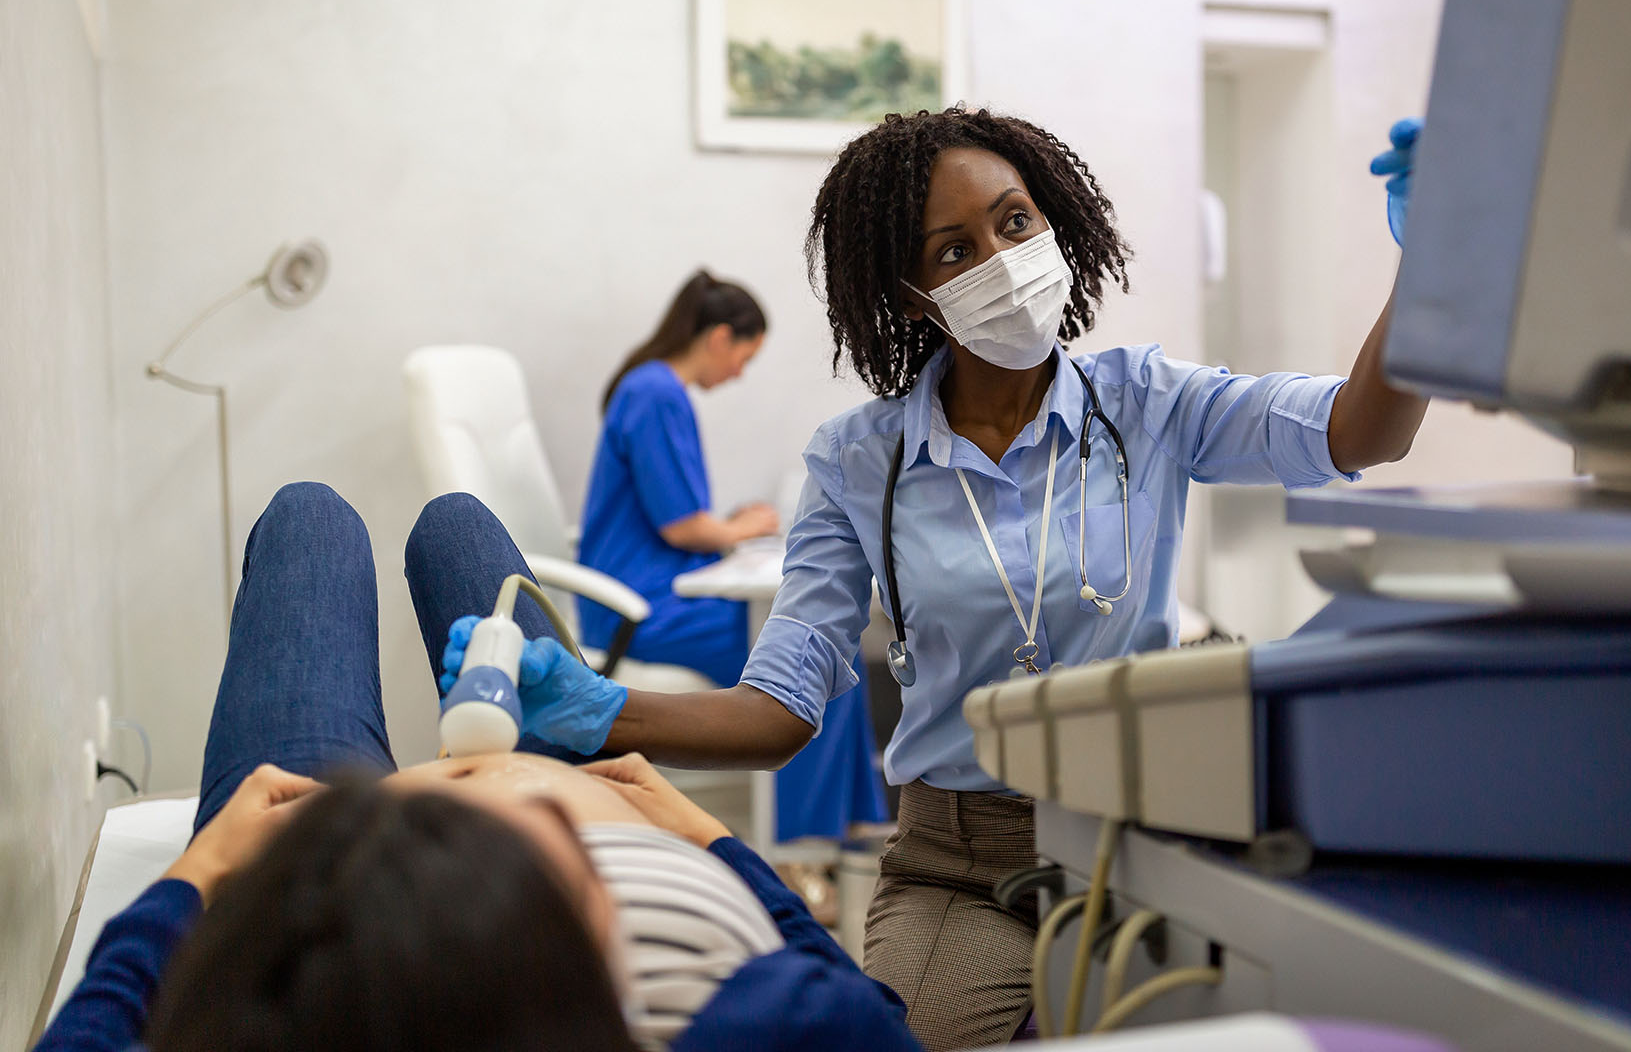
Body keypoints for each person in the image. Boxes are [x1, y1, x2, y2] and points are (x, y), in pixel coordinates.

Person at [450, 107, 1432, 1049]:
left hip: (1158, 837)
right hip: (964, 865)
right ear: (917, 296)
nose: (1002, 262)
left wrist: (1433, 263)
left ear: (1055, 222)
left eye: (1015, 223)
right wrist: (598, 710)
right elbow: (782, 708)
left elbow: (1360, 430)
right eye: (955, 251)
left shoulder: (1148, 403)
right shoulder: (858, 463)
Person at [35, 482, 919, 1052]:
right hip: (532, 816)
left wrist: (203, 868)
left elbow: (89, 1026)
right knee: (452, 523)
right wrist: (708, 839)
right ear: (591, 926)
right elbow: (869, 1016)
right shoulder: (767, 1028)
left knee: (312, 518)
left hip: (312, 864)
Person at [581, 270, 888, 853]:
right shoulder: (657, 391)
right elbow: (682, 525)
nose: (739, 372)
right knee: (811, 656)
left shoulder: (652, 388)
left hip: (658, 592)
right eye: (744, 356)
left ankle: (840, 829)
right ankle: (805, 847)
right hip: (643, 610)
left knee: (828, 643)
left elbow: (672, 518)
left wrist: (727, 527)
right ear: (720, 337)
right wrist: (739, 527)